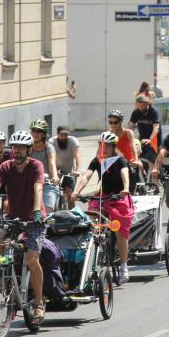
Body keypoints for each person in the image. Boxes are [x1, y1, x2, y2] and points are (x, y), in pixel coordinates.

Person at [0, 131, 46, 325]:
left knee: (31, 259)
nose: (17, 150)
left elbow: (38, 187)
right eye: (14, 147)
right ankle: (2, 282)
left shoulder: (36, 166)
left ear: (29, 149)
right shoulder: (6, 166)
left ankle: (38, 303)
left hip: (34, 220)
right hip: (13, 217)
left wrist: (37, 210)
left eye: (21, 147)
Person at [71, 132, 134, 284]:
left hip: (119, 197)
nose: (103, 148)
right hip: (103, 196)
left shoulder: (120, 160)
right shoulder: (96, 160)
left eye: (107, 146)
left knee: (120, 230)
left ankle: (124, 266)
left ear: (113, 147)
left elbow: (125, 174)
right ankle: (92, 251)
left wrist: (125, 188)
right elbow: (86, 176)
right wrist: (76, 191)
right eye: (101, 145)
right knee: (91, 221)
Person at [48, 125, 83, 209]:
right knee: (51, 191)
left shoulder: (73, 141)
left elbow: (78, 156)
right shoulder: (51, 141)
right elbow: (50, 157)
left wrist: (78, 170)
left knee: (69, 194)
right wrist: (54, 173)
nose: (64, 137)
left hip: (69, 170)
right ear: (57, 134)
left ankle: (72, 213)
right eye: (61, 134)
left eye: (66, 135)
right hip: (55, 170)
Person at [29, 119, 60, 212]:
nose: (35, 134)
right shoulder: (27, 147)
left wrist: (54, 176)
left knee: (47, 210)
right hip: (30, 183)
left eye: (38, 131)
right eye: (33, 131)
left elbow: (52, 163)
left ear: (44, 134)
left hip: (47, 183)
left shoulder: (49, 147)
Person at [129, 94, 162, 164]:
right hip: (142, 142)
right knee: (139, 161)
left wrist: (150, 140)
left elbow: (156, 128)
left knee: (153, 163)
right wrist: (127, 138)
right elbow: (130, 126)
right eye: (138, 106)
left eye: (142, 106)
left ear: (147, 104)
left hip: (154, 143)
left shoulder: (154, 112)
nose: (140, 108)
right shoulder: (136, 112)